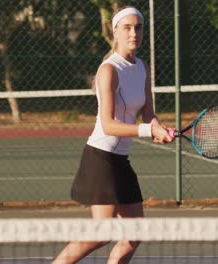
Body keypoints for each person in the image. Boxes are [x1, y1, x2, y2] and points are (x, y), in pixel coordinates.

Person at [53, 6, 173, 264]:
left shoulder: (142, 68)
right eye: (127, 28)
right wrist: (148, 130)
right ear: (115, 31)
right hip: (100, 158)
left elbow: (148, 113)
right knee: (101, 233)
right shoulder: (108, 71)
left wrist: (159, 127)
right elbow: (108, 125)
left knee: (134, 234)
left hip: (121, 160)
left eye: (138, 27)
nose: (134, 33)